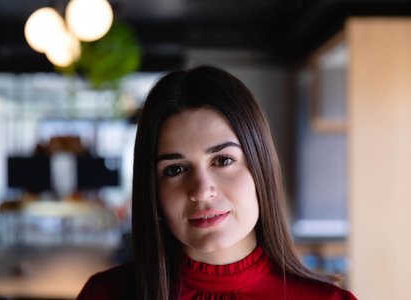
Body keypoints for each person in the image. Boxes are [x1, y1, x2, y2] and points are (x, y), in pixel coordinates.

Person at [77, 65, 357, 300]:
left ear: (261, 168)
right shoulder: (104, 294)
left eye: (223, 160)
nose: (201, 191)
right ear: (153, 190)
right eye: (175, 169)